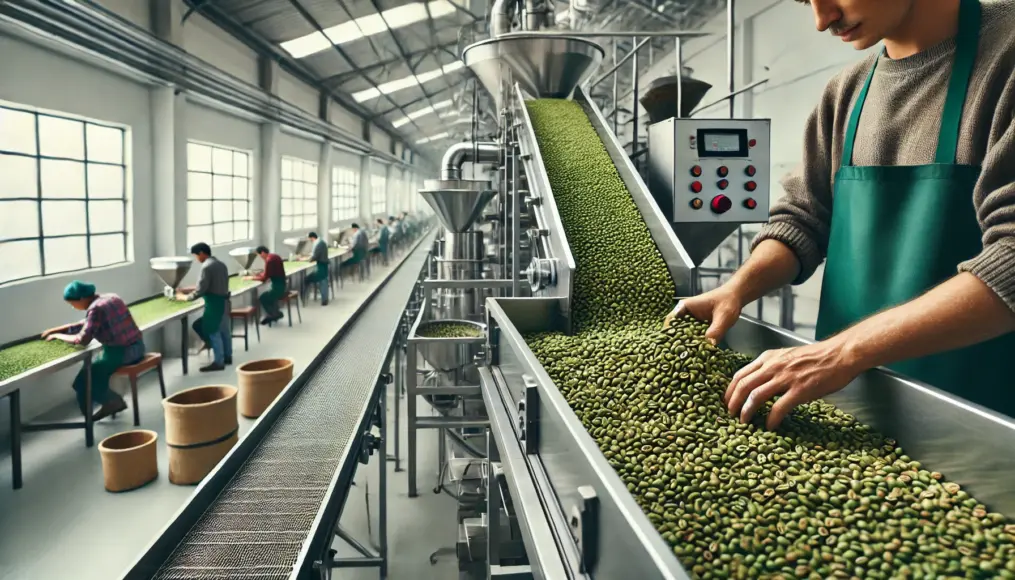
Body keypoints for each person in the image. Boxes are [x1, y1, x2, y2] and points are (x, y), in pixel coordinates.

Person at [665, 0, 1015, 426]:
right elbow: (801, 219)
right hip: (846, 412)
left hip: (982, 428)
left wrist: (841, 351)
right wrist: (736, 290)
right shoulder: (847, 91)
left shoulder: (1005, 56)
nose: (821, 19)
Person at [41, 281, 145, 420]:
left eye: (73, 304)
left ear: (82, 299)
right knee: (92, 370)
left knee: (83, 380)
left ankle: (110, 404)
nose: (73, 307)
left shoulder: (95, 309)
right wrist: (56, 330)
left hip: (123, 353)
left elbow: (82, 340)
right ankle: (109, 403)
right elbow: (86, 324)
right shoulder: (111, 298)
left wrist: (57, 336)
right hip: (138, 347)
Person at [178, 242, 232, 372]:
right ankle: (227, 356)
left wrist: (185, 297)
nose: (197, 259)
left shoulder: (206, 267)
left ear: (202, 253)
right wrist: (186, 289)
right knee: (224, 331)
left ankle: (218, 362)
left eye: (196, 256)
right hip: (224, 302)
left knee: (213, 331)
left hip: (214, 305)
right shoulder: (221, 264)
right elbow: (208, 285)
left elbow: (201, 290)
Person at [245, 245, 286, 325]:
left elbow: (264, 278)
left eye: (259, 255)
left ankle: (273, 314)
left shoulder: (269, 260)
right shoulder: (275, 256)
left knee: (263, 298)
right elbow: (269, 273)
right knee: (269, 296)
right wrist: (260, 275)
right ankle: (276, 313)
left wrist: (251, 278)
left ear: (263, 253)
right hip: (282, 285)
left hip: (277, 288)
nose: (260, 257)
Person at [300, 232, 330, 305]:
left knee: (307, 279)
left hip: (321, 266)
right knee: (324, 281)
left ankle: (304, 298)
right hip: (323, 265)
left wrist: (306, 260)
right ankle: (324, 299)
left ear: (312, 237)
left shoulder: (319, 244)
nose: (310, 240)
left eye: (310, 239)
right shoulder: (321, 242)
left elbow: (315, 256)